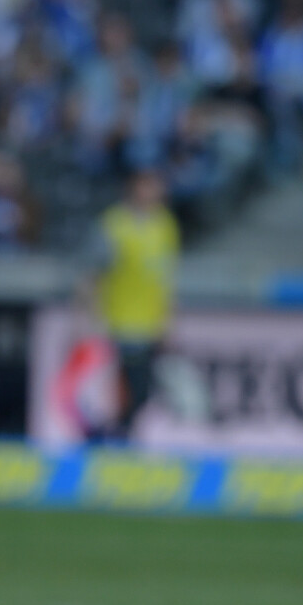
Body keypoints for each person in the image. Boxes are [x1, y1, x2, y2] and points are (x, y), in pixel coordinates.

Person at [90, 169, 179, 441]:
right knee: (119, 386)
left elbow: (166, 279)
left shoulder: (165, 226)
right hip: (118, 319)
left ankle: (120, 433)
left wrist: (167, 320)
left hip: (149, 322)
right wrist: (92, 315)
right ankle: (113, 433)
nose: (151, 193)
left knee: (142, 389)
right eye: (146, 186)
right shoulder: (114, 225)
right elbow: (95, 273)